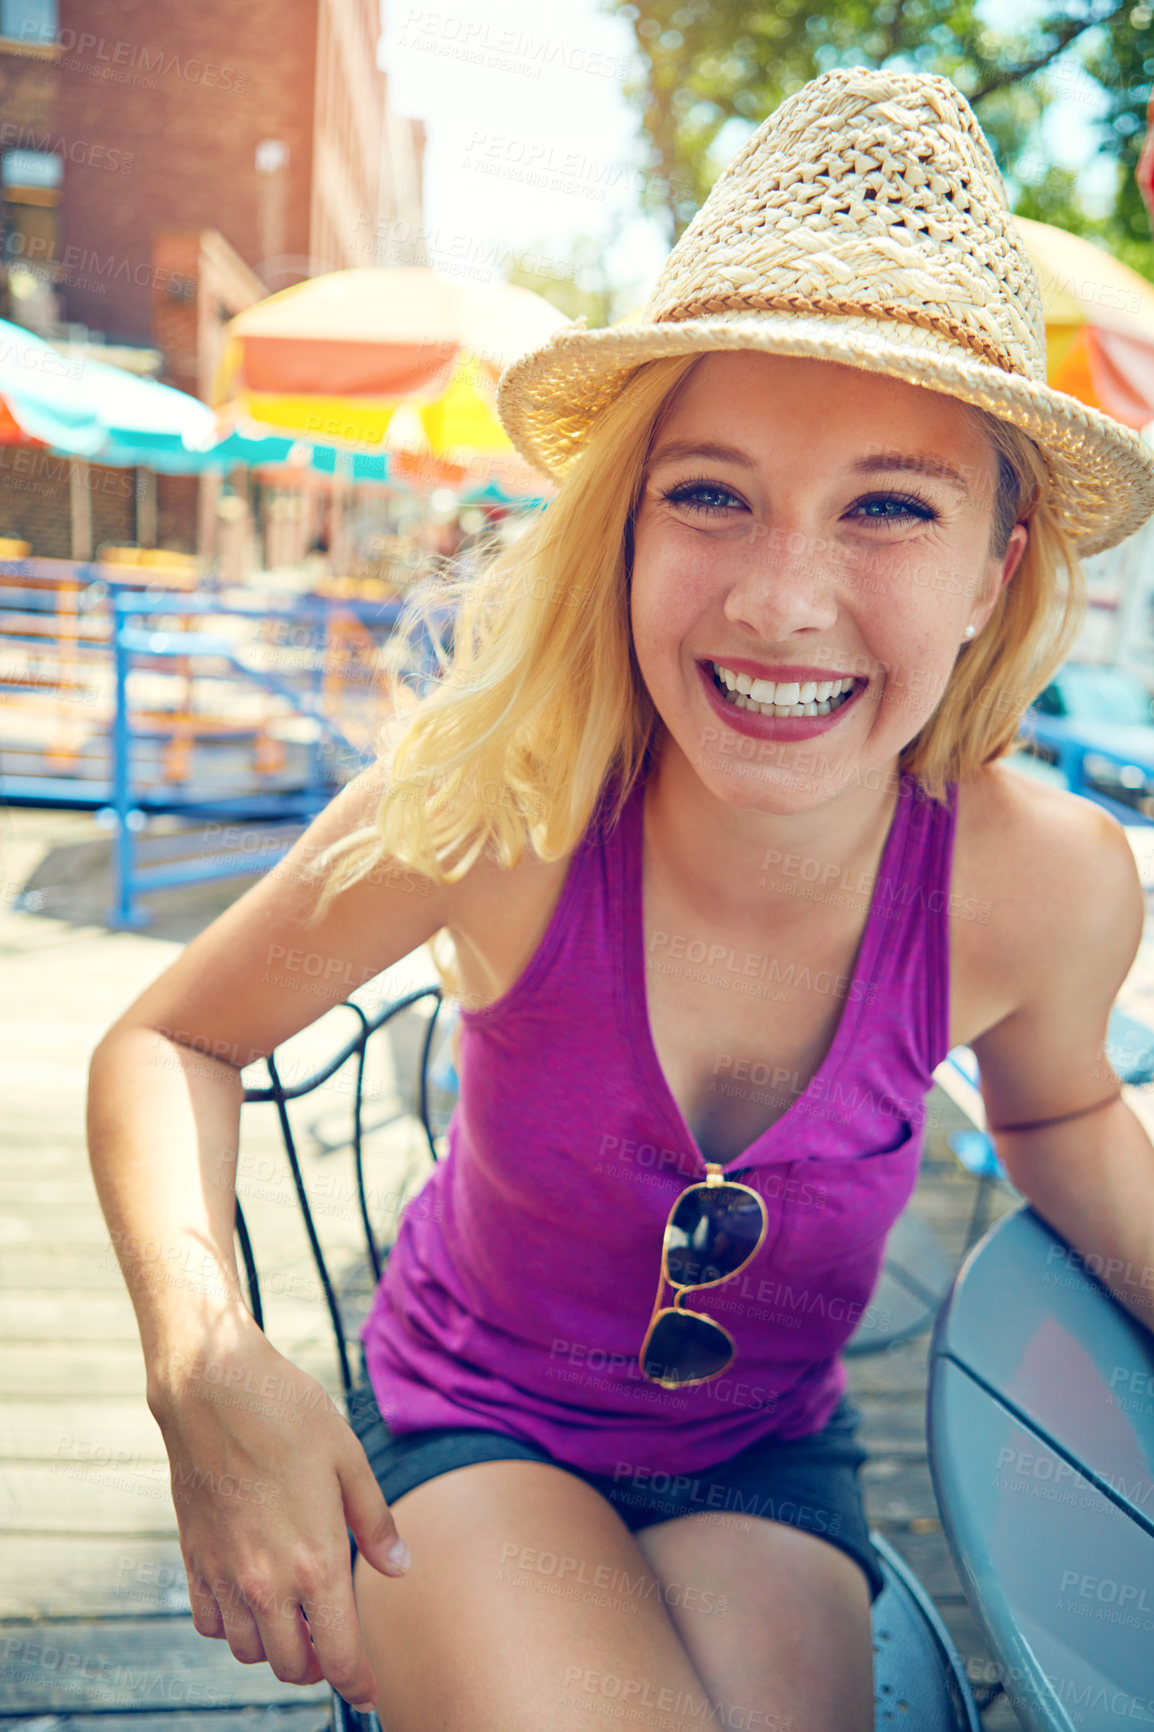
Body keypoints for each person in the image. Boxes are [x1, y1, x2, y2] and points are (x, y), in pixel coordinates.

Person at [86, 67, 1154, 1732]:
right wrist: (204, 1360)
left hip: (765, 1457)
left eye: (888, 507)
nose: (781, 598)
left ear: (996, 569)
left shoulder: (1047, 883)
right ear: (624, 527)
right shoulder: (498, 806)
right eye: (708, 492)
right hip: (467, 1420)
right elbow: (173, 1040)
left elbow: (1065, 1113)